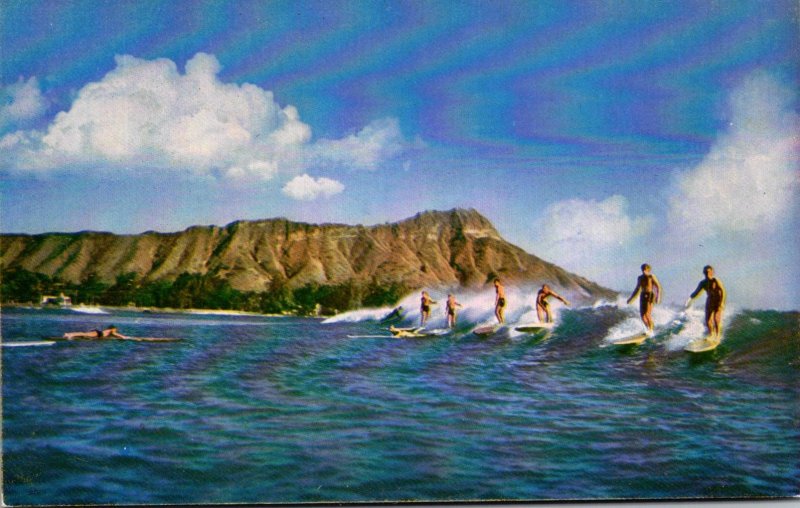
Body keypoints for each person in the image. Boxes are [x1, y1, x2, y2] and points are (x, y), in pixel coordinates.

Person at [686, 265, 726, 339]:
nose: (707, 273)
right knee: (708, 321)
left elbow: (722, 291)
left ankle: (717, 336)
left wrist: (721, 302)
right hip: (710, 300)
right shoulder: (702, 283)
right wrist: (689, 299)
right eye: (705, 272)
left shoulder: (715, 280)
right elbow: (696, 292)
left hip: (717, 301)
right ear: (703, 273)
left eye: (708, 272)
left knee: (716, 319)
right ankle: (711, 335)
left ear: (712, 272)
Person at [626, 263, 662, 332]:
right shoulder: (640, 278)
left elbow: (658, 287)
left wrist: (658, 297)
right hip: (643, 295)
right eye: (643, 269)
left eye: (645, 269)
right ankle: (648, 328)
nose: (644, 271)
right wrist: (631, 298)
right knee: (642, 315)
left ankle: (651, 329)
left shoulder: (651, 276)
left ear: (648, 270)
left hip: (650, 295)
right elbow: (637, 289)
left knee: (647, 313)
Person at [63, 325, 128, 340]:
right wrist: (123, 336)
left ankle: (70, 335)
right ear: (113, 328)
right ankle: (69, 334)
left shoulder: (109, 332)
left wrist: (123, 337)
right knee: (83, 334)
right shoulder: (111, 331)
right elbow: (115, 334)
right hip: (98, 333)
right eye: (115, 329)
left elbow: (114, 335)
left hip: (98, 334)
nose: (116, 330)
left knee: (83, 335)